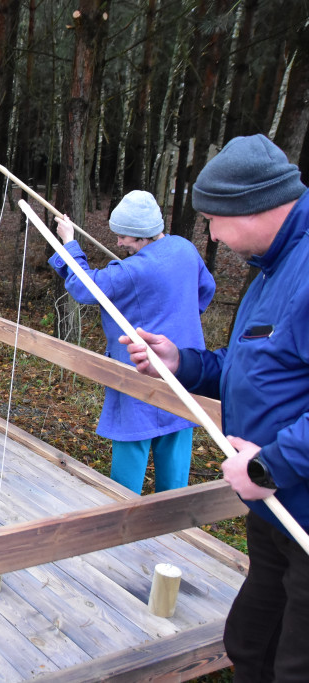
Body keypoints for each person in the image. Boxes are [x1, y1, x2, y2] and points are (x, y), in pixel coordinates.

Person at [124, 134, 309, 681]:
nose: (210, 233)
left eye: (213, 219)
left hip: (298, 506)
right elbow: (253, 363)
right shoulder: (272, 267)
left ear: (253, 207)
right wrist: (182, 362)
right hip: (272, 508)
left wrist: (273, 464)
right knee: (249, 646)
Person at [49, 190, 216, 494]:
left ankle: (123, 523)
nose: (118, 243)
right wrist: (175, 316)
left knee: (129, 461)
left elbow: (86, 288)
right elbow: (205, 289)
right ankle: (173, 526)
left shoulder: (135, 270)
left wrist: (68, 241)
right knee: (176, 454)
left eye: (123, 236)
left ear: (141, 235)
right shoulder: (184, 249)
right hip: (184, 371)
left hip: (139, 374)